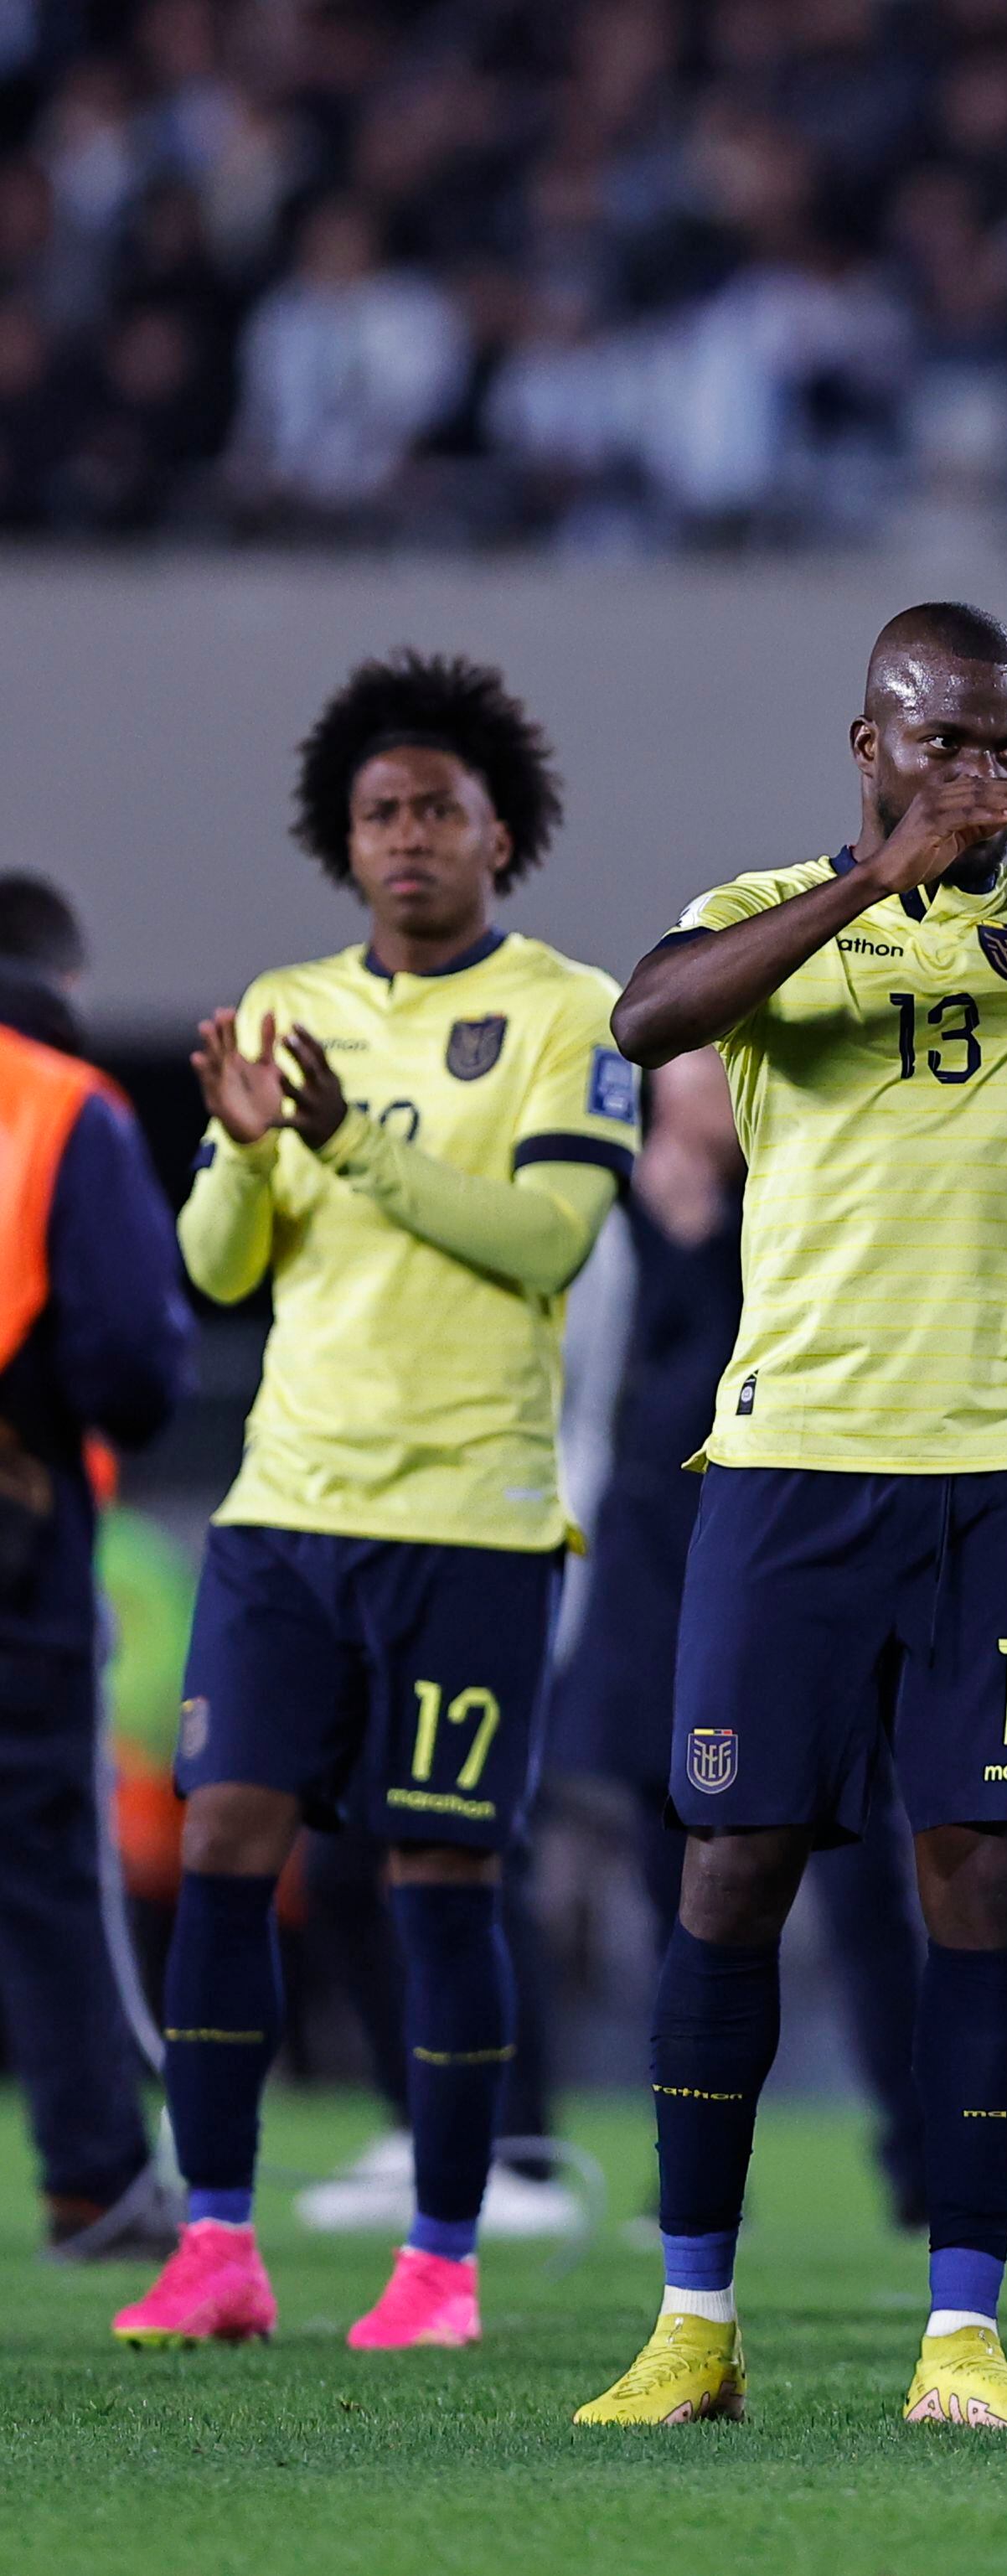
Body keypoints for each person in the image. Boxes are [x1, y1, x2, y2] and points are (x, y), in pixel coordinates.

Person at [574, 601, 1007, 2432]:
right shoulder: (756, 921)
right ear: (870, 744)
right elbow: (648, 1018)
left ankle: (962, 2337)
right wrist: (876, 882)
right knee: (733, 1869)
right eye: (948, 738)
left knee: (977, 1883)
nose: (986, 773)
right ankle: (693, 2326)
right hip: (791, 1460)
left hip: (1006, 1475)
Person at [125, 654, 629, 2355]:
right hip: (286, 1511)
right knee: (221, 1849)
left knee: (440, 1879)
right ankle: (216, 2246)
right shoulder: (286, 1005)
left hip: (472, 1521)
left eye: (434, 809)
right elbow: (218, 1270)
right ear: (343, 845)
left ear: (502, 829)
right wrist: (254, 1149)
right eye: (376, 815)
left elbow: (547, 1241)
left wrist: (350, 1147)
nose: (405, 837)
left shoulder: (573, 1010)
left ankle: (440, 2264)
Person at [562, 1049, 935, 2236]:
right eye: (672, 1077)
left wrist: (701, 1236)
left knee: (861, 1871)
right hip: (650, 1573)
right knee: (672, 1877)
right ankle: (690, 2162)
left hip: (796, 1557)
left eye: (708, 1075)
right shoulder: (611, 1204)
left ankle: (917, 2156)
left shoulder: (803, 1189)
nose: (685, 1100)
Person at [0, 877, 189, 2263]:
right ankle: (98, 2181)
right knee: (48, 1857)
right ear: (61, 980)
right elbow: (133, 1363)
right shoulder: (66, 1104)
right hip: (20, 1530)